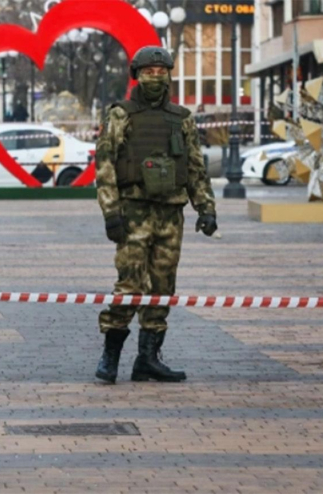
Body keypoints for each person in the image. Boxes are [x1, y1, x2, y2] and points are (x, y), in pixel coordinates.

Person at [94, 46, 218, 384]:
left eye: (161, 71)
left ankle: (148, 358)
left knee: (163, 286)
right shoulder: (121, 114)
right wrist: (111, 213)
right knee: (130, 284)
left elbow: (194, 167)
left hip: (169, 213)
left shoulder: (182, 118)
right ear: (136, 74)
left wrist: (205, 208)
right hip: (133, 212)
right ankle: (110, 355)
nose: (155, 77)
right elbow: (104, 166)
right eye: (148, 71)